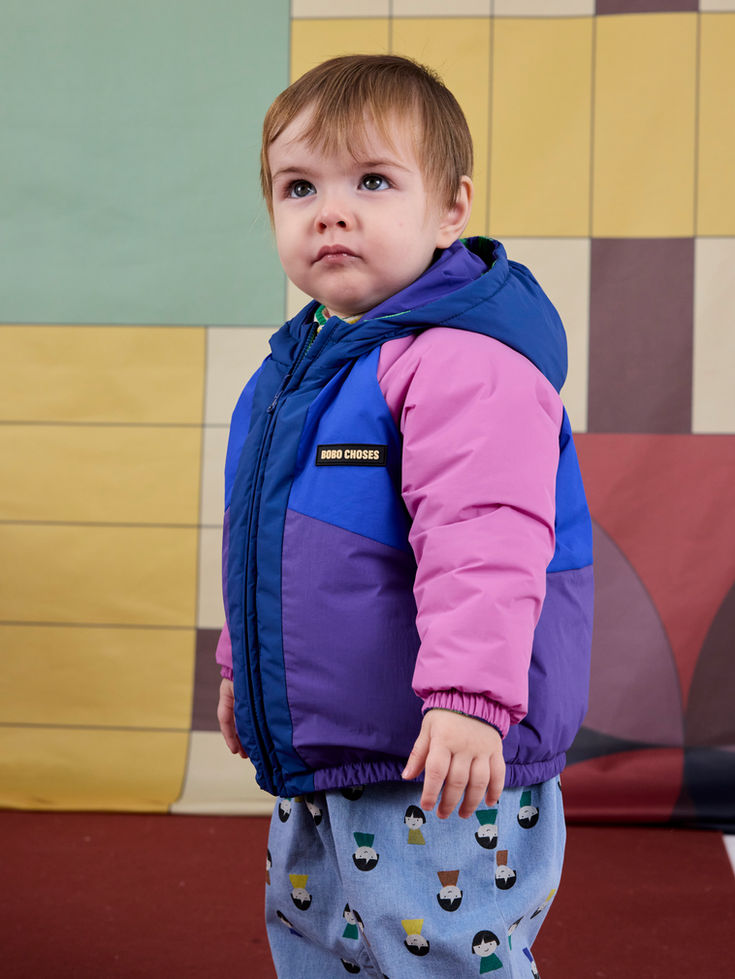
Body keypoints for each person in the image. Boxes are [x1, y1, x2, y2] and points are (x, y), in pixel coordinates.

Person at [216, 53, 593, 977]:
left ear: (451, 208)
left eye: (372, 181)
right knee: (320, 942)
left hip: (440, 749)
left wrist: (470, 702)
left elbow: (487, 543)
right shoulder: (295, 371)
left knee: (445, 952)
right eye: (298, 187)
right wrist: (244, 669)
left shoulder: (465, 363)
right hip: (332, 741)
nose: (329, 211)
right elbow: (262, 545)